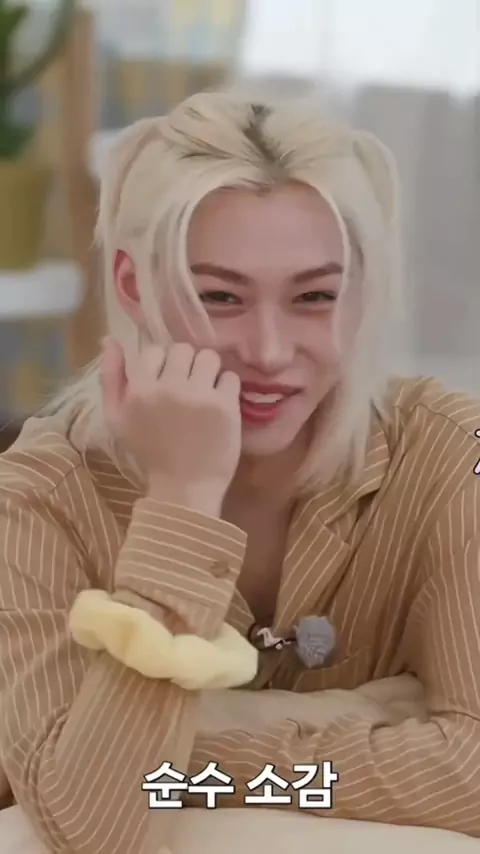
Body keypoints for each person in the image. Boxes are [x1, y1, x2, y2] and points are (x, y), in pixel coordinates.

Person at [0, 89, 479, 854]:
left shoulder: (453, 452)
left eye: (314, 296)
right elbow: (96, 833)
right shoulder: (37, 499)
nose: (268, 351)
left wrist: (197, 750)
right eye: (219, 297)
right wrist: (182, 502)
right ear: (133, 286)